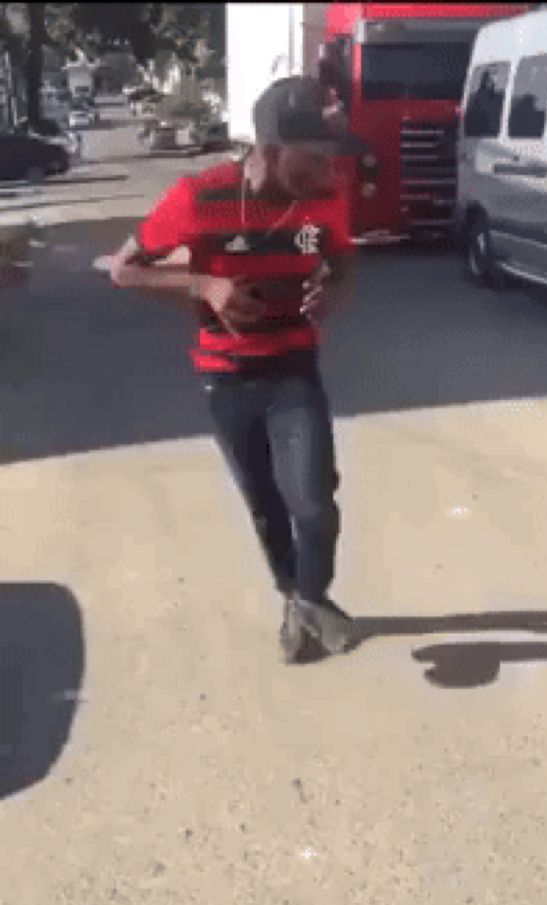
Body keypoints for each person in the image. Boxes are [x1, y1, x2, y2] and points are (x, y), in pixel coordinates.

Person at [109, 76, 361, 664]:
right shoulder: (200, 197)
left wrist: (333, 292)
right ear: (269, 149)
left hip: (294, 367)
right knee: (263, 501)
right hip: (226, 375)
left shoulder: (323, 198)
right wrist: (205, 284)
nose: (328, 171)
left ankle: (310, 597)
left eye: (331, 158)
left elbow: (344, 262)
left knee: (315, 501)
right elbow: (124, 270)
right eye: (314, 158)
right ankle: (293, 602)